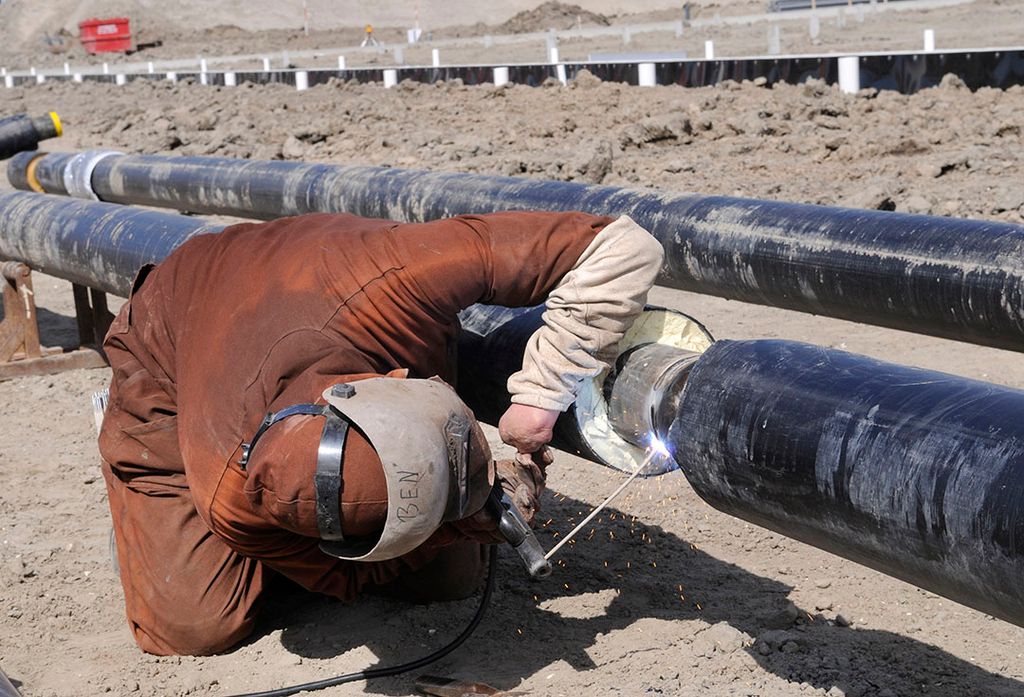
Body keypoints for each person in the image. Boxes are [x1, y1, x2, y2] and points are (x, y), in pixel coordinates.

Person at [98, 210, 663, 655]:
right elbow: (337, 581)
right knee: (195, 630)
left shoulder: (397, 279)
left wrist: (541, 396)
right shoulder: (229, 489)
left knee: (447, 584)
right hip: (168, 357)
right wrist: (459, 526)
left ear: (397, 385)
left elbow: (624, 246)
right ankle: (154, 493)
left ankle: (354, 527)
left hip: (310, 271)